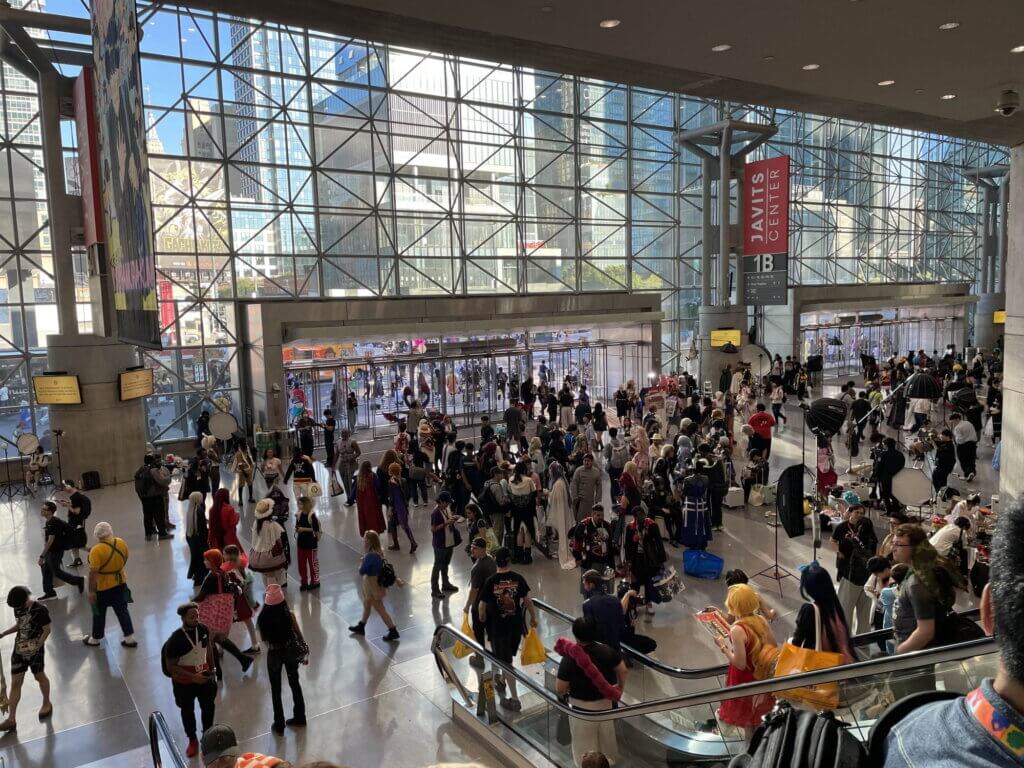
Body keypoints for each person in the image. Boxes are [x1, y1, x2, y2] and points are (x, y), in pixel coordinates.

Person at [880, 500, 1024, 768]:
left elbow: (925, 631)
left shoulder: (904, 735)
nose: (892, 548)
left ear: (988, 613)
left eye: (898, 544)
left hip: (914, 661)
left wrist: (896, 656)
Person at [555, 617, 626, 768]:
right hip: (605, 704)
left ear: (575, 634)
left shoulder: (570, 658)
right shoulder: (606, 650)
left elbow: (560, 688)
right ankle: (608, 763)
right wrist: (619, 688)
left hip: (581, 708)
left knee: (583, 745)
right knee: (606, 739)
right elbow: (622, 669)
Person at [715, 584, 777, 740]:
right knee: (757, 713)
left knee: (747, 717)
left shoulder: (737, 630)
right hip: (761, 673)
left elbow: (740, 663)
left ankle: (750, 751)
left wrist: (723, 647)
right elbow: (773, 646)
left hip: (745, 678)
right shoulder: (761, 619)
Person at [164, 603, 218, 758]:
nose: (195, 619)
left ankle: (207, 737)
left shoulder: (203, 629)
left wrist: (213, 670)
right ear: (183, 618)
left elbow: (208, 650)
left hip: (205, 678)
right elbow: (171, 667)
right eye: (191, 617)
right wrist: (193, 677)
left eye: (197, 616)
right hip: (184, 684)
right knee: (187, 711)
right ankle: (192, 739)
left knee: (208, 708)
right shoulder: (175, 640)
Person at [257, 584, 307, 734]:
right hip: (290, 652)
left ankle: (279, 723)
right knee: (294, 684)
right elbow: (299, 635)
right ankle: (300, 717)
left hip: (274, 655)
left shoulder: (262, 619)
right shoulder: (289, 614)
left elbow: (264, 640)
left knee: (276, 689)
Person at [196, 549, 255, 678]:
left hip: (212, 613)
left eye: (206, 559)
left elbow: (201, 596)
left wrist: (191, 603)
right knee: (219, 638)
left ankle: (218, 672)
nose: (204, 562)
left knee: (210, 641)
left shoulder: (212, 576)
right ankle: (243, 659)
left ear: (212, 561)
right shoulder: (223, 573)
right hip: (223, 612)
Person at [0, 586, 52, 731]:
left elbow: (47, 630)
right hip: (19, 649)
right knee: (16, 682)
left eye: (18, 605)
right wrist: (4, 633)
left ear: (25, 600)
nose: (17, 608)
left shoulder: (40, 610)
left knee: (39, 676)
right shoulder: (18, 607)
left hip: (36, 649)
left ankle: (46, 702)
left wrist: (38, 645)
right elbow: (20, 625)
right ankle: (11, 719)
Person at [82, 522, 136, 647]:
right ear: (110, 531)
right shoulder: (120, 542)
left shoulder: (96, 550)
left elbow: (93, 574)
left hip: (102, 587)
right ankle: (129, 638)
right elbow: (125, 559)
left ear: (96, 535)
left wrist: (91, 591)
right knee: (122, 610)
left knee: (99, 613)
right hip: (120, 582)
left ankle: (95, 639)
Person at [791, 563, 856, 664]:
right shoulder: (835, 605)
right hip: (842, 661)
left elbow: (797, 642)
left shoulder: (810, 610)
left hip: (821, 667)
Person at [830, 503, 878, 634]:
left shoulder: (858, 540)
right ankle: (863, 643)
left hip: (852, 578)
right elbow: (833, 540)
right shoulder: (845, 529)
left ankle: (845, 641)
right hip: (867, 579)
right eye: (857, 512)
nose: (859, 516)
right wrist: (838, 552)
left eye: (862, 514)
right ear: (850, 512)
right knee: (864, 614)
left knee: (845, 610)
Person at [349, 530, 400, 641]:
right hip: (375, 585)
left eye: (365, 539)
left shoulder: (370, 556)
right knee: (367, 605)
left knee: (380, 609)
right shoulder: (378, 553)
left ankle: (393, 630)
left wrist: (362, 562)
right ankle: (361, 626)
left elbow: (362, 571)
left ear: (370, 542)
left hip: (371, 586)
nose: (364, 541)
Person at [624, 506, 666, 615]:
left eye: (642, 515)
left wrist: (661, 559)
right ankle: (633, 603)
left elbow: (659, 543)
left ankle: (648, 603)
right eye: (638, 516)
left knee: (649, 582)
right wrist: (628, 561)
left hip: (650, 559)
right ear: (634, 517)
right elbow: (627, 546)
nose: (641, 518)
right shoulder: (630, 527)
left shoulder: (652, 525)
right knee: (635, 582)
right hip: (636, 559)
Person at [37, 501, 84, 600]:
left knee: (56, 572)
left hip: (55, 551)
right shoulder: (50, 521)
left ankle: (78, 580)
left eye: (44, 509)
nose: (42, 510)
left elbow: (50, 541)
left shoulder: (53, 523)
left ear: (50, 512)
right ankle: (49, 592)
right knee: (46, 569)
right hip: (52, 550)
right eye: (42, 508)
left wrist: (42, 556)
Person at [464, 536, 497, 669]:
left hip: (480, 606)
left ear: (483, 549)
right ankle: (497, 658)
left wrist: (467, 606)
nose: (472, 551)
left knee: (478, 632)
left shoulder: (478, 567)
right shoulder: (491, 560)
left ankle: (479, 658)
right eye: (472, 548)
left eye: (475, 549)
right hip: (492, 603)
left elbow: (474, 590)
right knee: (492, 632)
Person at [249, 499, 289, 587]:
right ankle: (274, 597)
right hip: (271, 556)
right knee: (273, 577)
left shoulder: (256, 523)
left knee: (265, 575)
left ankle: (268, 593)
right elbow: (278, 540)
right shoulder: (273, 525)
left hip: (258, 556)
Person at [581, 570, 624, 651]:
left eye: (584, 584)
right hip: (616, 645)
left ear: (591, 585)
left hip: (599, 649)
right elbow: (621, 625)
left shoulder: (587, 604)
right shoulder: (615, 600)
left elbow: (590, 630)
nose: (584, 587)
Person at [430, 491, 461, 599]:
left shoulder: (446, 509)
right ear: (441, 501)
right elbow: (433, 529)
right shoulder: (435, 513)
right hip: (440, 544)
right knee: (437, 566)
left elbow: (448, 519)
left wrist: (453, 518)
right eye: (447, 502)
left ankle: (445, 584)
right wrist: (446, 523)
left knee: (445, 564)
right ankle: (434, 589)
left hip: (449, 542)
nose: (448, 505)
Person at [135, 454, 172, 540]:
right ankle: (162, 534)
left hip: (144, 498)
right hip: (155, 497)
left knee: (147, 517)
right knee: (159, 515)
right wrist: (168, 477)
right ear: (152, 461)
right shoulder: (153, 470)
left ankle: (148, 535)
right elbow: (162, 481)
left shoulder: (139, 470)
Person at [57, 481, 91, 567]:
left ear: (69, 486)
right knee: (73, 542)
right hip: (74, 522)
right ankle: (77, 560)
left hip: (75, 523)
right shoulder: (75, 496)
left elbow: (76, 512)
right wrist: (68, 503)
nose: (63, 489)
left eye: (64, 487)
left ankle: (95, 551)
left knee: (79, 543)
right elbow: (75, 506)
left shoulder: (76, 497)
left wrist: (67, 506)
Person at [386, 462, 418, 553]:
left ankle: (411, 543)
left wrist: (390, 508)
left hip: (396, 507)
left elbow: (391, 497)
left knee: (400, 526)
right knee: (401, 525)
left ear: (392, 472)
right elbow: (408, 494)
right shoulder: (403, 480)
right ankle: (401, 544)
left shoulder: (391, 482)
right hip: (403, 506)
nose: (388, 471)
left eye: (389, 470)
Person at [295, 496, 321, 591]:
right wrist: (297, 529)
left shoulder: (312, 515)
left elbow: (316, 529)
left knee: (313, 564)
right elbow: (297, 526)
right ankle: (304, 582)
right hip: (301, 544)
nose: (299, 505)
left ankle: (315, 581)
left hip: (311, 544)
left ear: (306, 504)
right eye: (298, 503)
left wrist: (303, 529)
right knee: (301, 564)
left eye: (301, 504)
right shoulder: (298, 515)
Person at [874, 437, 906, 514]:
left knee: (885, 495)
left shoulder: (883, 454)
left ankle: (888, 511)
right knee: (894, 493)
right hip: (897, 478)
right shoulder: (900, 455)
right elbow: (902, 466)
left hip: (885, 478)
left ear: (886, 445)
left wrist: (877, 476)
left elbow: (878, 467)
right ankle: (896, 509)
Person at [184, 491, 209, 588]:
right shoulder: (199, 510)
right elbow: (202, 528)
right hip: (199, 540)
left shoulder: (190, 510)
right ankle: (199, 578)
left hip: (191, 538)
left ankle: (195, 575)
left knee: (195, 558)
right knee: (201, 559)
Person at [355, 460, 386, 538]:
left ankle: (367, 534)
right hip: (373, 501)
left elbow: (355, 492)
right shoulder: (373, 476)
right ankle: (376, 534)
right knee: (374, 518)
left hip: (362, 503)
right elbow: (378, 486)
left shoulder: (359, 478)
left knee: (365, 518)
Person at [570, 453, 603, 523]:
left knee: (589, 518)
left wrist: (597, 498)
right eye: (585, 460)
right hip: (580, 499)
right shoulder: (578, 471)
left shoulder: (596, 472)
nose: (586, 462)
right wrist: (575, 496)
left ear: (592, 461)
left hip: (590, 499)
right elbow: (574, 484)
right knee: (579, 519)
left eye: (588, 461)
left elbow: (599, 485)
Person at [207, 487, 239, 552]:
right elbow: (232, 523)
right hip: (228, 539)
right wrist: (237, 516)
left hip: (216, 539)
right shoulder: (229, 509)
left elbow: (210, 526)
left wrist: (210, 539)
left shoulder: (212, 510)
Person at [949, 411, 978, 483]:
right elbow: (974, 433)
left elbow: (960, 440)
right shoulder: (968, 423)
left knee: (964, 461)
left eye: (953, 422)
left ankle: (968, 473)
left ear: (956, 419)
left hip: (963, 446)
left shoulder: (958, 427)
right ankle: (971, 473)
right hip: (973, 444)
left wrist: (955, 439)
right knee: (971, 460)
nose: (953, 423)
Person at [230, 442, 255, 507]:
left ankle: (250, 497)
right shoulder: (238, 454)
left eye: (247, 448)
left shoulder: (247, 453)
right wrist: (244, 473)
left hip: (249, 471)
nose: (246, 448)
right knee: (241, 485)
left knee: (250, 484)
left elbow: (251, 460)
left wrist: (251, 467)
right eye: (245, 448)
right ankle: (240, 500)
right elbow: (240, 465)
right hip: (242, 472)